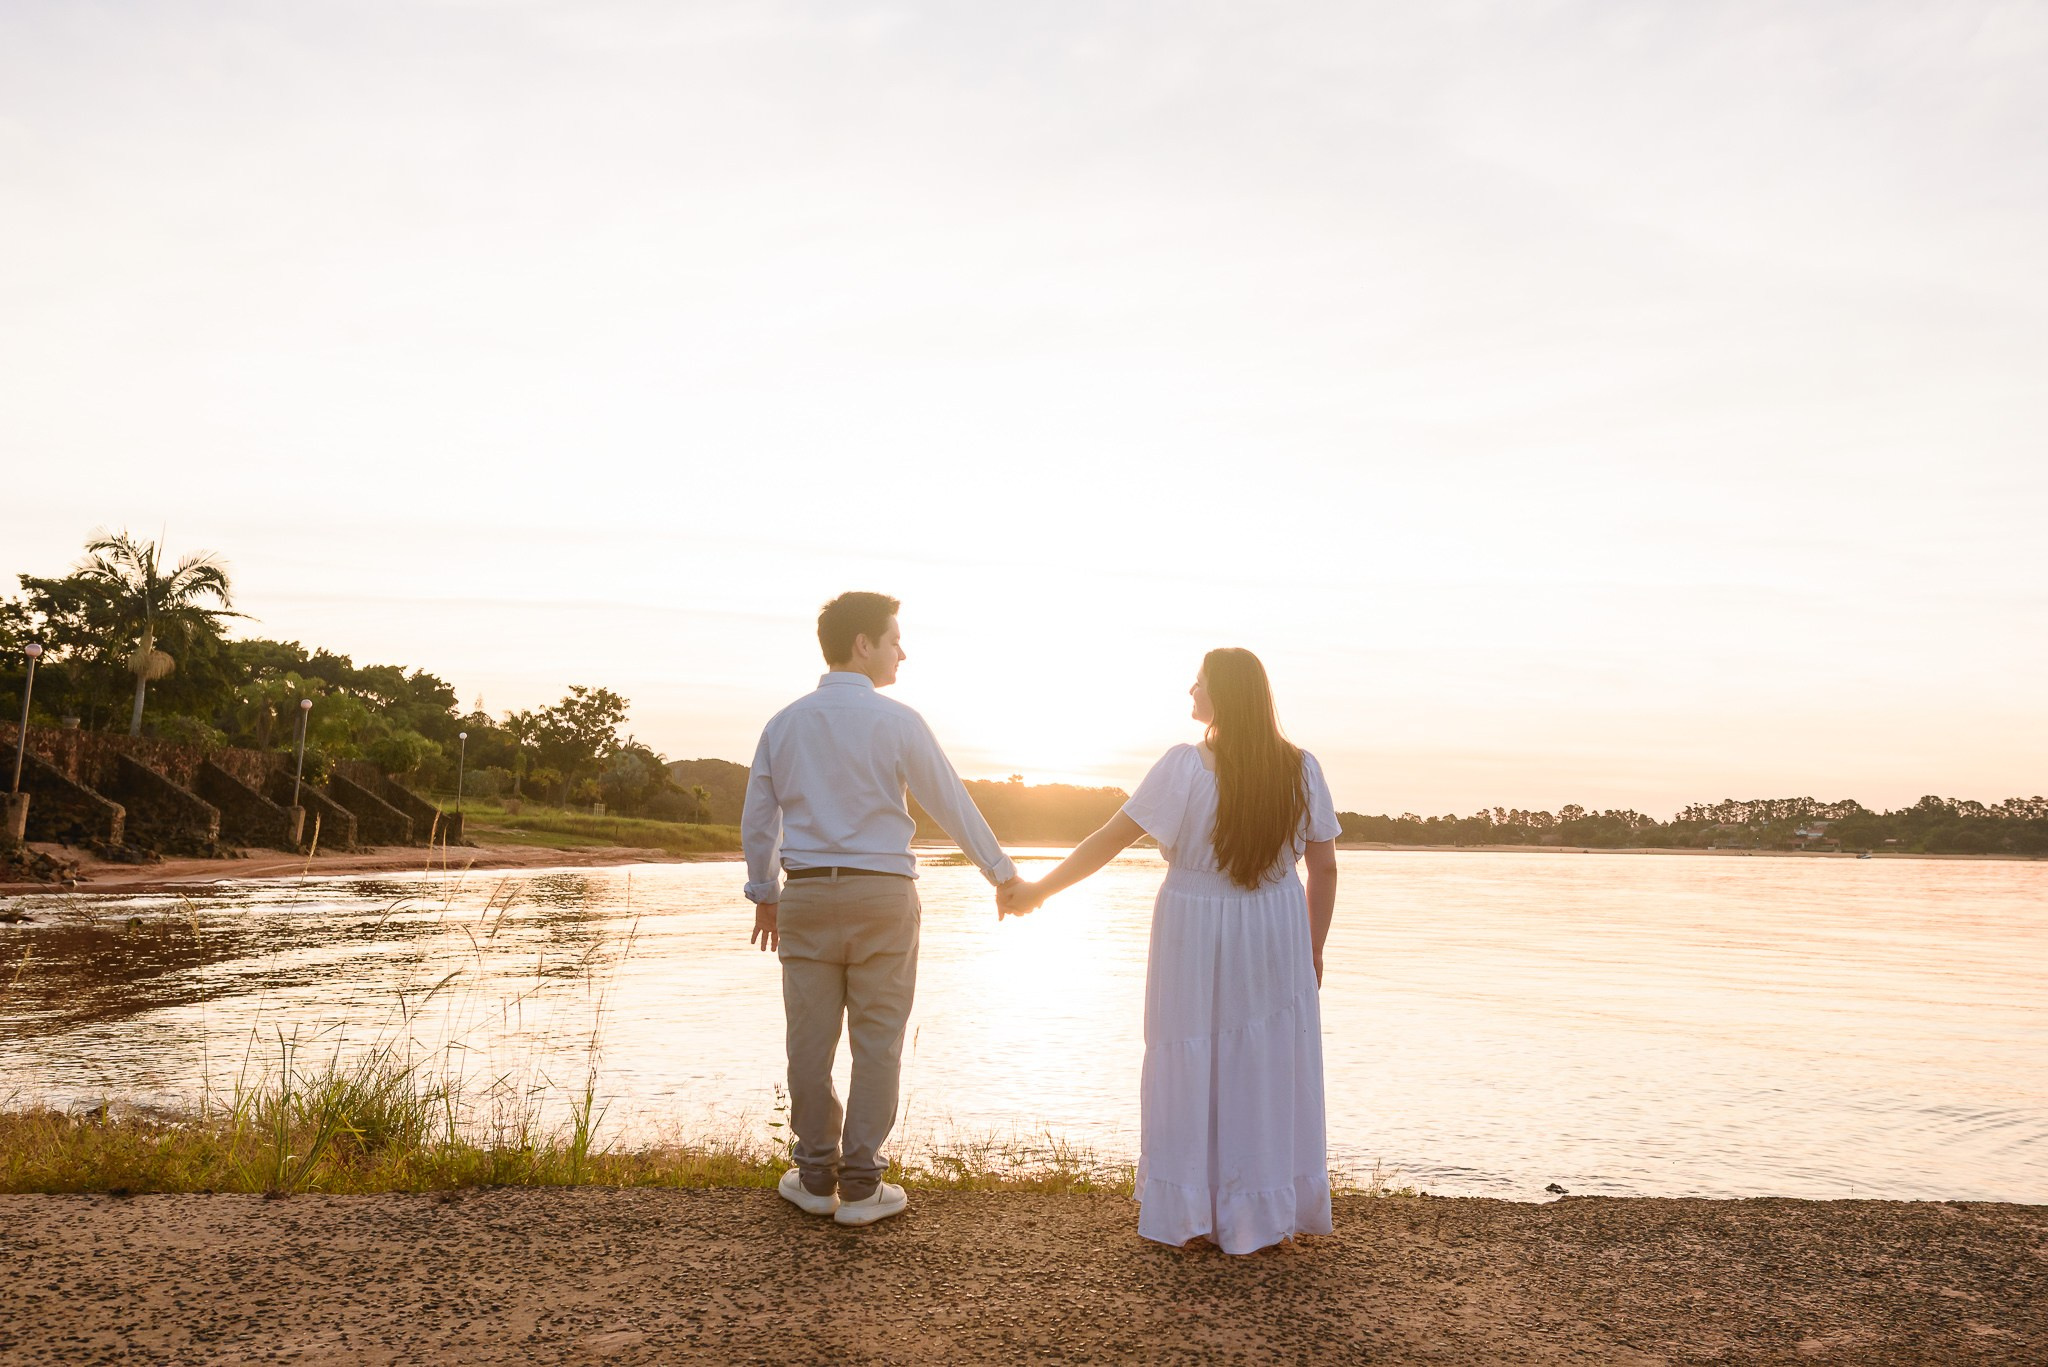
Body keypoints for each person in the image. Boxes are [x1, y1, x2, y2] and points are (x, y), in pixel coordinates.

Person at [1000, 647, 1339, 1254]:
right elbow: (1325, 867)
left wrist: (1036, 891)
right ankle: (1259, 1211)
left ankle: (1194, 1212)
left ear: (1225, 695)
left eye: (1199, 683)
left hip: (1194, 919)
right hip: (1275, 925)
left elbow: (1110, 839)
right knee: (1262, 1063)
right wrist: (1312, 946)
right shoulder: (1302, 768)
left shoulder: (1185, 766)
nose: (1190, 691)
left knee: (1193, 1056)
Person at [743, 591, 1022, 1227]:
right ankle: (862, 1186)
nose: (903, 650)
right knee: (878, 1043)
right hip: (884, 898)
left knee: (808, 1045)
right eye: (895, 638)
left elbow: (760, 820)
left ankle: (815, 1176)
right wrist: (1000, 874)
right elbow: (950, 802)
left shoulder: (784, 723)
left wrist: (765, 895)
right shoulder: (899, 722)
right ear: (863, 645)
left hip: (808, 895)